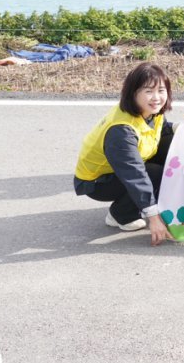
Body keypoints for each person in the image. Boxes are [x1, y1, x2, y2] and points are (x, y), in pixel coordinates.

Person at [73, 63, 175, 246]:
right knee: (155, 173)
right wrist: (154, 218)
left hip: (121, 168)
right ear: (133, 93)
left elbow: (163, 130)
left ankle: (146, 203)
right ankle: (121, 214)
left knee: (174, 144)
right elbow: (134, 175)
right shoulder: (121, 130)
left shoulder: (151, 111)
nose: (157, 98)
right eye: (148, 91)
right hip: (97, 182)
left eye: (161, 90)